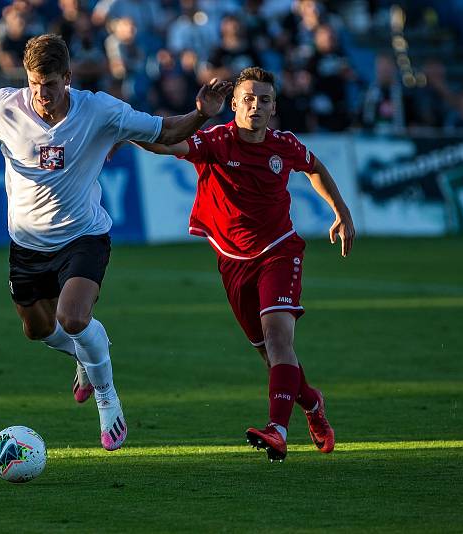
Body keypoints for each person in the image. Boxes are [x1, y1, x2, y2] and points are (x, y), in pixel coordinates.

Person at [0, 34, 232, 451]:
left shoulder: (100, 110)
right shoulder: (4, 107)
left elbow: (164, 132)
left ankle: (108, 399)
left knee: (73, 318)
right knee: (38, 330)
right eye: (35, 83)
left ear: (67, 79)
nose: (42, 93)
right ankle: (87, 355)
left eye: (50, 84)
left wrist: (201, 113)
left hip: (82, 237)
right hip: (27, 245)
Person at [129, 66, 355, 461]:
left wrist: (341, 210)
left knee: (279, 339)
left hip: (280, 251)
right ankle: (312, 404)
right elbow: (167, 146)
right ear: (233, 104)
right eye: (248, 98)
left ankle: (277, 431)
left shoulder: (284, 145)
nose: (256, 105)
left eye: (264, 99)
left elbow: (314, 167)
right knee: (271, 356)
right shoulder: (216, 141)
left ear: (273, 107)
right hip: (232, 260)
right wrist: (123, 127)